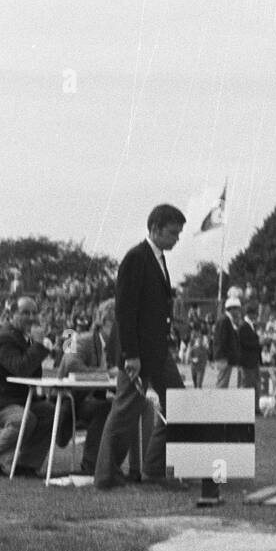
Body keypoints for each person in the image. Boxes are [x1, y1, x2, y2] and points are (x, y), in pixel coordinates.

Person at [94, 204, 186, 489]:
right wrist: (130, 355)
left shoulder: (157, 259)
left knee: (179, 407)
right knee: (125, 412)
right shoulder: (136, 258)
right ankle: (106, 476)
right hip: (139, 355)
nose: (177, 239)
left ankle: (153, 469)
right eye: (173, 233)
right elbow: (126, 310)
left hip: (158, 352)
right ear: (156, 228)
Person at [0, 296, 71, 478]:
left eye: (34, 313)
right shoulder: (5, 337)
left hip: (9, 399)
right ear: (12, 314)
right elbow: (21, 369)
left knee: (52, 411)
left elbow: (31, 375)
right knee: (24, 419)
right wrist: (38, 345)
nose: (31, 317)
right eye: (25, 313)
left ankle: (26, 465)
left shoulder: (23, 339)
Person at [58, 298, 144, 477]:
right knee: (105, 408)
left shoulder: (119, 347)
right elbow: (71, 365)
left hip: (95, 399)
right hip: (71, 401)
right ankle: (92, 465)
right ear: (105, 322)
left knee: (136, 406)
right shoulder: (78, 339)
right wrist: (107, 373)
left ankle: (136, 469)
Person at [213, 296, 242, 388]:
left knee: (224, 381)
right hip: (224, 357)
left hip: (225, 356)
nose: (238, 312)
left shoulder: (228, 320)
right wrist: (227, 356)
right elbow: (222, 340)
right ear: (232, 309)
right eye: (237, 309)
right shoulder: (225, 320)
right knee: (222, 382)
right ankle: (218, 401)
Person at [239, 303, 262, 414]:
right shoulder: (243, 326)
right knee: (247, 385)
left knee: (256, 385)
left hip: (254, 361)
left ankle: (256, 408)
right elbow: (243, 343)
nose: (256, 316)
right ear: (250, 314)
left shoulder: (252, 326)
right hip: (247, 361)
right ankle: (246, 408)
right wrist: (257, 344)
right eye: (255, 314)